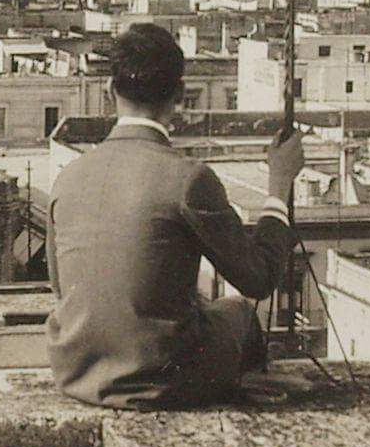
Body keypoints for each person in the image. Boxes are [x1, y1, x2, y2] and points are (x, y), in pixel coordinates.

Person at [46, 23, 305, 409]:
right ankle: (249, 398)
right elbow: (258, 278)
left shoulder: (67, 178)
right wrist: (279, 184)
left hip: (75, 372)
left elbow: (61, 287)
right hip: (160, 377)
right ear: (180, 94)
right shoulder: (189, 179)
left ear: (109, 91)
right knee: (237, 314)